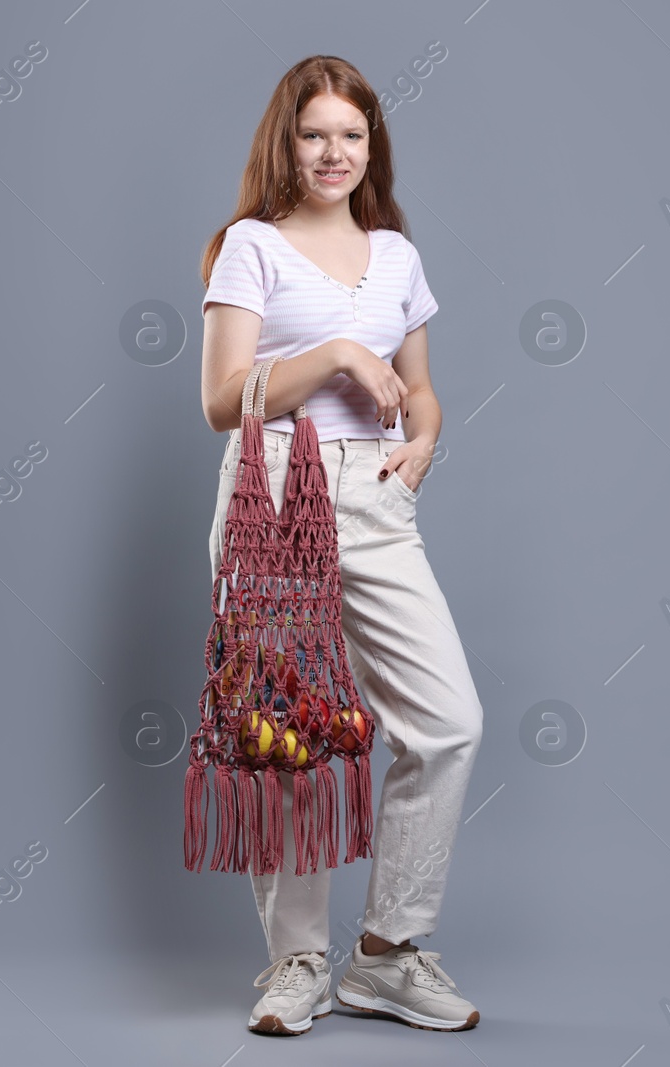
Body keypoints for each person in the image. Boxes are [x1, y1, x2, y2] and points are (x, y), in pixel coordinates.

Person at [198, 55, 484, 1036]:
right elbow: (216, 400)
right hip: (273, 491)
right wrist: (329, 354)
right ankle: (295, 962)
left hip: (371, 495)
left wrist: (425, 442)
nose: (333, 152)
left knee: (446, 720)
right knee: (286, 737)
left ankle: (385, 952)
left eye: (351, 135)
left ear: (373, 146)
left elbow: (423, 385)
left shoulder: (395, 254)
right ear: (288, 141)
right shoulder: (251, 246)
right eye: (315, 133)